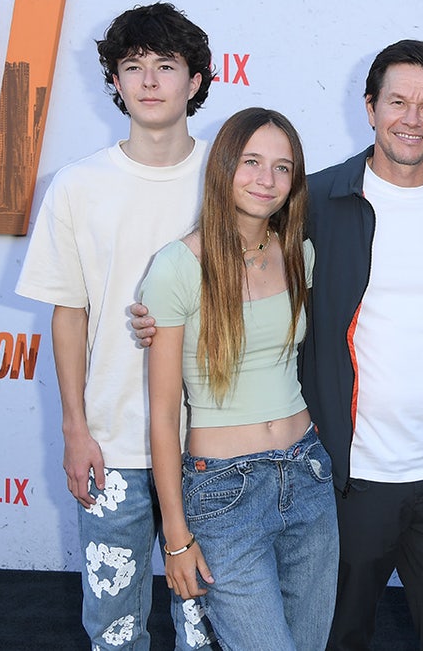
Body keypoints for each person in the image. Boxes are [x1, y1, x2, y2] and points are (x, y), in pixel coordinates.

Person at [14, 2, 215, 650]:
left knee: (208, 629)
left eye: (165, 65)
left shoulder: (232, 176)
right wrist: (75, 428)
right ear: (115, 82)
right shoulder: (77, 186)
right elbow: (67, 312)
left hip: (212, 450)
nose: (149, 81)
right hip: (112, 449)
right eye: (133, 67)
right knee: (115, 631)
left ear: (197, 80)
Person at [302, 40, 423, 651]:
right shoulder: (312, 202)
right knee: (335, 635)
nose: (412, 119)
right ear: (370, 107)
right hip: (345, 478)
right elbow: (237, 268)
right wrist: (166, 309)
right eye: (398, 102)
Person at [139, 108, 338, 649]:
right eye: (251, 162)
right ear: (224, 166)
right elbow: (162, 413)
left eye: (282, 167)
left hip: (308, 476)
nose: (266, 180)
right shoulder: (177, 267)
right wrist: (176, 539)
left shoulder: (299, 253)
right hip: (223, 491)